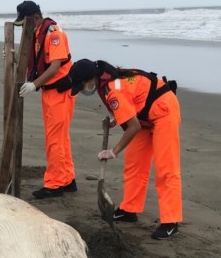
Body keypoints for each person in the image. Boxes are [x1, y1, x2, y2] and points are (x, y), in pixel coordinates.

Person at [66, 58, 182, 240]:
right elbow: (132, 100)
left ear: (90, 79)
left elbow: (133, 126)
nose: (82, 91)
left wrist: (114, 151)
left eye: (81, 87)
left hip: (164, 110)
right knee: (134, 163)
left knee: (165, 168)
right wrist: (119, 118)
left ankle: (171, 221)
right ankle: (129, 209)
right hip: (145, 114)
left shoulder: (112, 90)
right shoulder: (106, 79)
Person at [16, 0, 77, 199]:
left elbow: (55, 66)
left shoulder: (53, 33)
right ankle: (67, 178)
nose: (24, 27)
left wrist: (34, 84)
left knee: (54, 139)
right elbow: (33, 59)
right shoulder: (37, 33)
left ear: (34, 18)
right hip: (50, 92)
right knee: (60, 138)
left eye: (24, 22)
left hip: (60, 92)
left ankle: (54, 183)